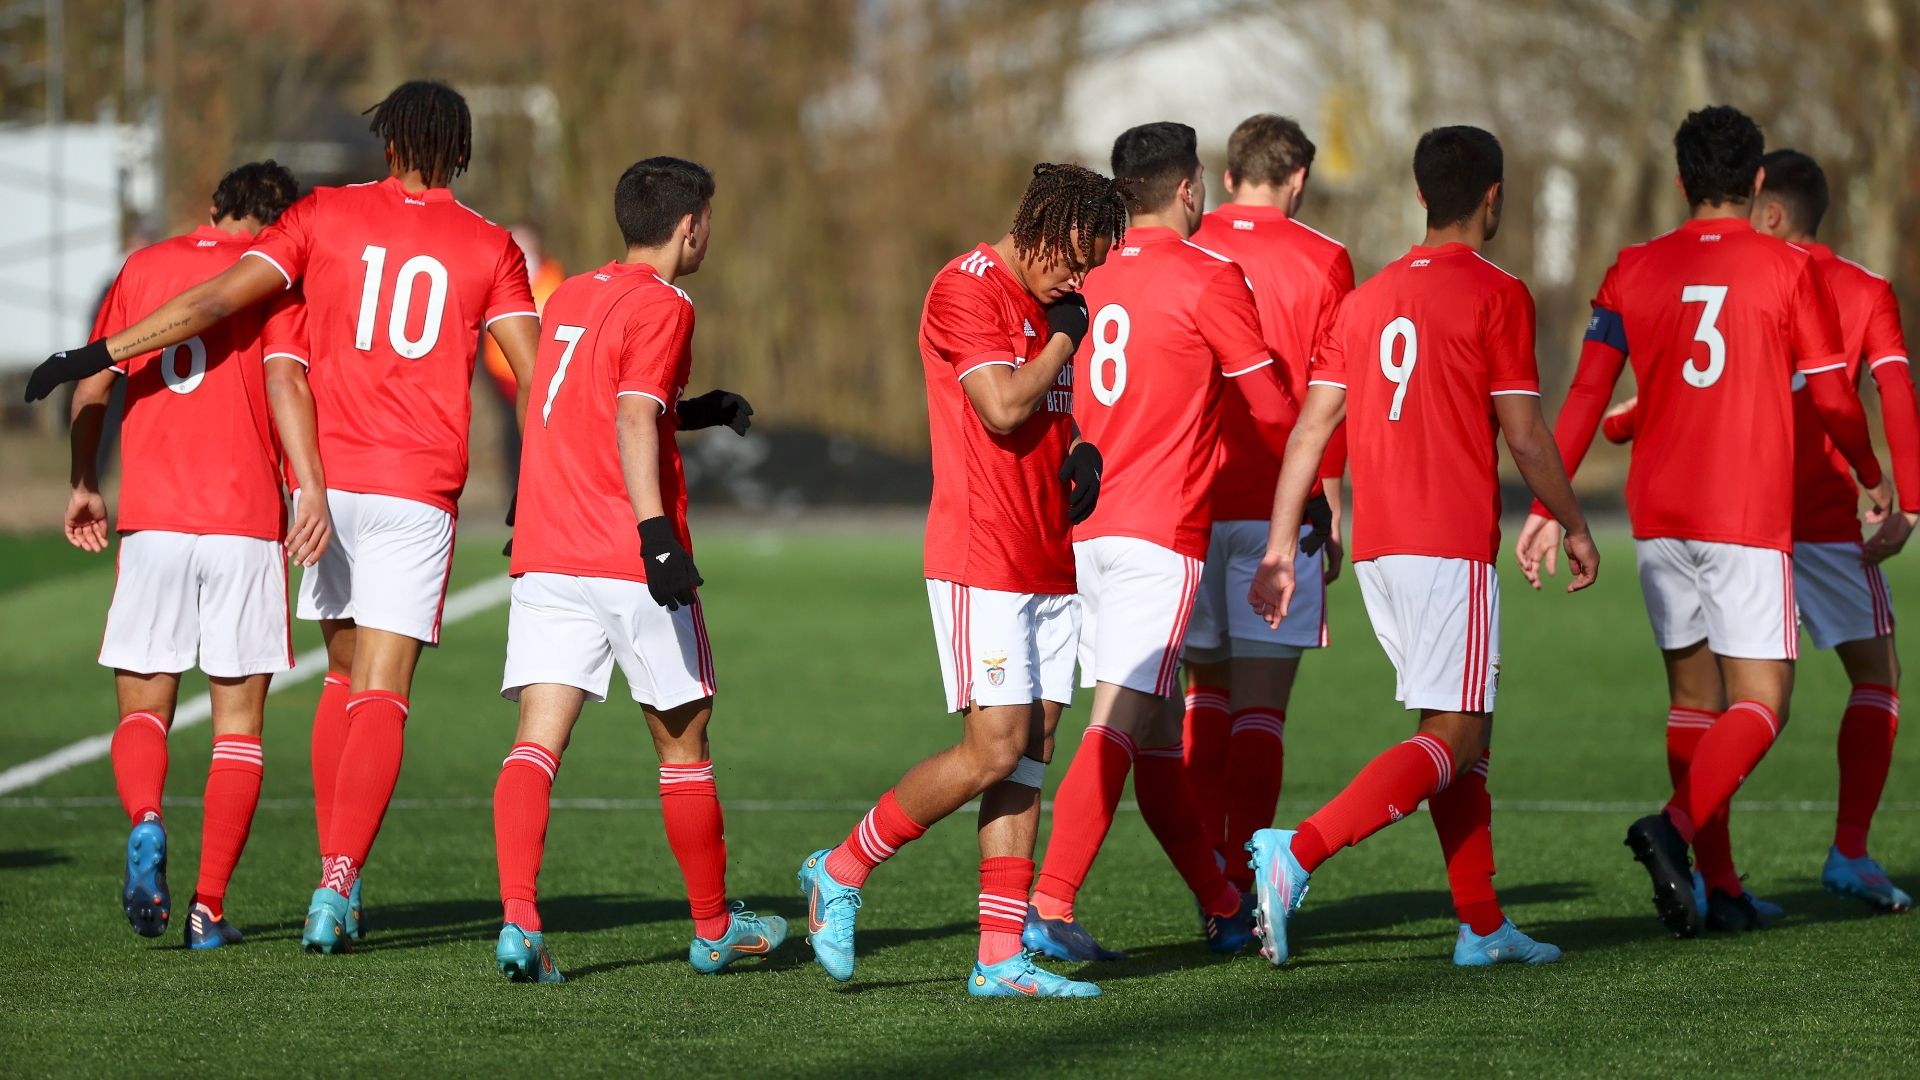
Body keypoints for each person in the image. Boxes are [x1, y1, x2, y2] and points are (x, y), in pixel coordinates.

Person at [24, 80, 542, 952]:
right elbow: (538, 377)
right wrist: (537, 490)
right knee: (382, 686)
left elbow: (221, 302)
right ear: (462, 152)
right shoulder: (492, 246)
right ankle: (335, 882)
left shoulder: (323, 216)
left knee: (338, 678)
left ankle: (292, 867)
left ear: (386, 145)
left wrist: (96, 353)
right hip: (419, 490)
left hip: (328, 485)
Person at [1515, 106, 1888, 938]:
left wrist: (1549, 501)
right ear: (1756, 182)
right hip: (1745, 514)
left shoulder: (1633, 267)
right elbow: (1831, 396)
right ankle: (1674, 831)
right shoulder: (1790, 268)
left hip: (1658, 516)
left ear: (1681, 183)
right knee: (1764, 702)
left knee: (1694, 702)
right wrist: (1871, 476)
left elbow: (1582, 397)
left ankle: (1719, 886)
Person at [1247, 125, 1595, 968]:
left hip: (1380, 548)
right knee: (1459, 735)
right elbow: (1526, 434)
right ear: (1493, 197)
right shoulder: (1497, 293)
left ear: (1418, 197)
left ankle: (1480, 924)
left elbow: (1309, 433)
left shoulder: (1362, 301)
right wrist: (1573, 520)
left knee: (1459, 731)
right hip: (1447, 542)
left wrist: (1281, 545)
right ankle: (1297, 854)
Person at [796, 162, 1126, 998]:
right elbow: (1005, 406)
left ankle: (997, 957)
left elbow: (1054, 412)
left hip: (1050, 553)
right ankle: (842, 867)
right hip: (985, 556)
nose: (1079, 277)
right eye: (1075, 257)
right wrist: (1066, 331)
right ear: (1041, 228)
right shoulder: (965, 287)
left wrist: (1081, 444)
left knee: (1029, 757)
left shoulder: (1053, 303)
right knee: (994, 749)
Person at [1596, 149, 1916, 916]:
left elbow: (1655, 400)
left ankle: (1720, 881)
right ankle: (1848, 851)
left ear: (1769, 208)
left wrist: (1629, 418)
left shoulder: (1717, 271)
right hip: (1820, 517)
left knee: (1698, 701)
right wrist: (1902, 500)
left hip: (1726, 510)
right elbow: (1891, 392)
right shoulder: (1860, 287)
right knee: (1875, 679)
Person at [491, 156, 778, 983]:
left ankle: (519, 921)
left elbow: (566, 396)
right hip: (623, 551)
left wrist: (699, 409)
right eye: (710, 220)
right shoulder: (666, 304)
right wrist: (656, 533)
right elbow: (626, 413)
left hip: (548, 550)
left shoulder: (574, 291)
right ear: (690, 226)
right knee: (684, 747)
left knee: (535, 744)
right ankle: (715, 927)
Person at [1024, 121, 1303, 961]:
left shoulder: (1091, 275)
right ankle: (1050, 898)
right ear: (1189, 190)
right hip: (1160, 531)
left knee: (1151, 736)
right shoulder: (1210, 275)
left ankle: (1221, 905)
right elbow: (1276, 413)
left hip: (1090, 530)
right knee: (1122, 719)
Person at [63, 161, 329, 949]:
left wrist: (84, 480)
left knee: (144, 709)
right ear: (283, 224)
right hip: (246, 523)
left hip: (153, 522)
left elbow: (93, 388)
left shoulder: (143, 269)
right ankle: (207, 909)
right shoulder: (278, 283)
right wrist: (309, 487)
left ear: (216, 205)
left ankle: (147, 818)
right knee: (237, 730)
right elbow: (289, 383)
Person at [1180, 114, 1355, 891]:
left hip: (1188, 497)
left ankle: (1209, 877)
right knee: (1262, 708)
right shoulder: (1325, 259)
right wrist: (1332, 501)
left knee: (1202, 693)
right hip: (1278, 501)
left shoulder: (1185, 244)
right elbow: (1331, 392)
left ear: (1225, 177)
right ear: (1300, 180)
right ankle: (1251, 880)